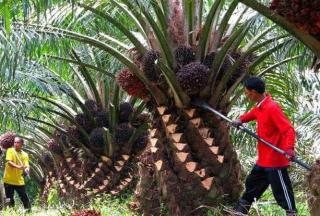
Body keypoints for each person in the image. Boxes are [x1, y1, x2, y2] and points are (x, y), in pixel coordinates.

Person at [233, 77, 297, 216]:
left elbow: (288, 130)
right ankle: (241, 211)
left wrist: (289, 148)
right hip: (263, 159)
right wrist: (240, 120)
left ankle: (291, 213)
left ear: (254, 92)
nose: (247, 96)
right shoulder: (260, 106)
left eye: (247, 93)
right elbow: (252, 114)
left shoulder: (272, 107)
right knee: (252, 184)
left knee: (281, 190)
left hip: (275, 160)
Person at [3, 136, 31, 212]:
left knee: (24, 197)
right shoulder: (10, 150)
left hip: (19, 181)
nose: (16, 144)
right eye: (15, 142)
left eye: (18, 142)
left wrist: (27, 170)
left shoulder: (25, 154)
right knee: (9, 198)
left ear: (22, 144)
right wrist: (18, 167)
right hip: (8, 180)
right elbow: (9, 162)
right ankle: (10, 211)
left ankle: (28, 211)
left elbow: (26, 165)